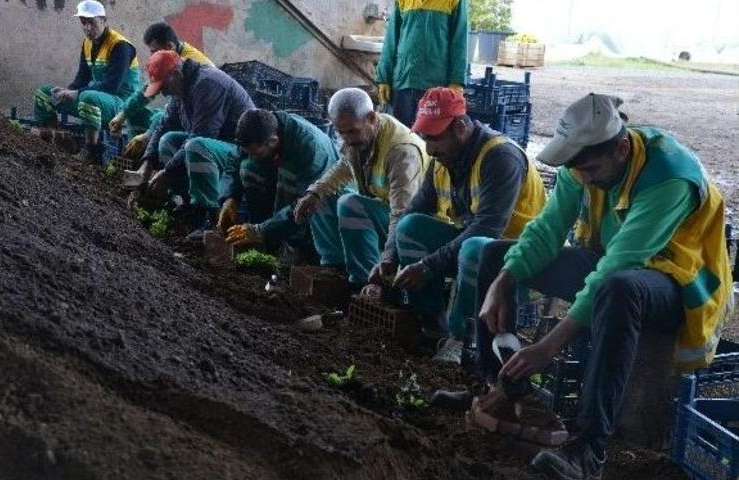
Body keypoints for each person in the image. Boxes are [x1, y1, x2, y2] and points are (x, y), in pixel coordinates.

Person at [475, 93, 732, 479]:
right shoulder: (581, 164)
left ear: (622, 148)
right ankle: (499, 386)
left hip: (679, 283)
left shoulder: (670, 176)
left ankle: (587, 449)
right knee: (496, 256)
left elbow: (621, 262)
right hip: (615, 265)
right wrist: (502, 281)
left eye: (591, 170)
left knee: (619, 288)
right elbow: (547, 229)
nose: (584, 179)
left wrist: (549, 345)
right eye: (577, 171)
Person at [378, 87, 545, 358]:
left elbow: (488, 228)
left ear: (460, 127)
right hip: (477, 250)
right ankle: (430, 323)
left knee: (475, 246)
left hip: (521, 260)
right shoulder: (443, 158)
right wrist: (389, 256)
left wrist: (428, 266)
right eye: (424, 138)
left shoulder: (501, 157)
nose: (429, 149)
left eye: (435, 138)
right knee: (411, 227)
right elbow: (415, 209)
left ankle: (462, 339)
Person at [293, 88, 428, 291]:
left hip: (411, 229)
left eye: (352, 131)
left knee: (351, 205)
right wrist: (314, 192)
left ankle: (366, 281)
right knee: (320, 198)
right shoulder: (359, 139)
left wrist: (387, 261)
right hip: (384, 213)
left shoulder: (401, 151)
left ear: (372, 118)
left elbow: (401, 214)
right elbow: (344, 167)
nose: (346, 138)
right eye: (341, 132)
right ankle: (335, 267)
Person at [127, 50, 254, 217]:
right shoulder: (181, 88)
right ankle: (185, 201)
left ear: (176, 74)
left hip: (240, 151)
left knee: (196, 146)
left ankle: (206, 212)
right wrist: (147, 163)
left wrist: (167, 172)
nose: (163, 92)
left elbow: (205, 134)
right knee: (168, 140)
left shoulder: (208, 84)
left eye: (164, 86)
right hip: (212, 145)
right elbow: (164, 125)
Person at [205, 109, 338, 253]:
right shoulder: (257, 131)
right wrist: (230, 198)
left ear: (273, 141)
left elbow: (306, 203)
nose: (251, 155)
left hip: (323, 196)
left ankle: (291, 246)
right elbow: (235, 161)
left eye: (256, 152)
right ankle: (262, 233)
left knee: (287, 176)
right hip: (284, 178)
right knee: (248, 166)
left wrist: (262, 231)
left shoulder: (311, 149)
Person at [33, 0, 142, 162]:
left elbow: (112, 86)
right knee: (44, 94)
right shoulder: (87, 44)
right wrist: (66, 92)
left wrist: (76, 93)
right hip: (99, 99)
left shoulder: (120, 46)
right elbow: (82, 78)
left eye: (92, 22)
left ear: (103, 20)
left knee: (87, 98)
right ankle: (52, 139)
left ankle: (92, 150)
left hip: (121, 104)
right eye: (83, 23)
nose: (87, 27)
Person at [108, 22, 215, 160]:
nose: (152, 56)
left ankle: (150, 161)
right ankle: (135, 159)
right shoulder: (171, 54)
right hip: (178, 115)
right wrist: (122, 114)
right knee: (136, 113)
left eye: (154, 51)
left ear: (169, 46)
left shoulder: (192, 66)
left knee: (158, 119)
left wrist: (147, 136)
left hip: (197, 126)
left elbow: (173, 112)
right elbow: (149, 89)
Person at [375, 0, 469, 127]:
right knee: (399, 134)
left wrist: (456, 82)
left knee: (430, 137)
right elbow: (391, 39)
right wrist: (384, 78)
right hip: (403, 82)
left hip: (436, 84)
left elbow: (460, 42)